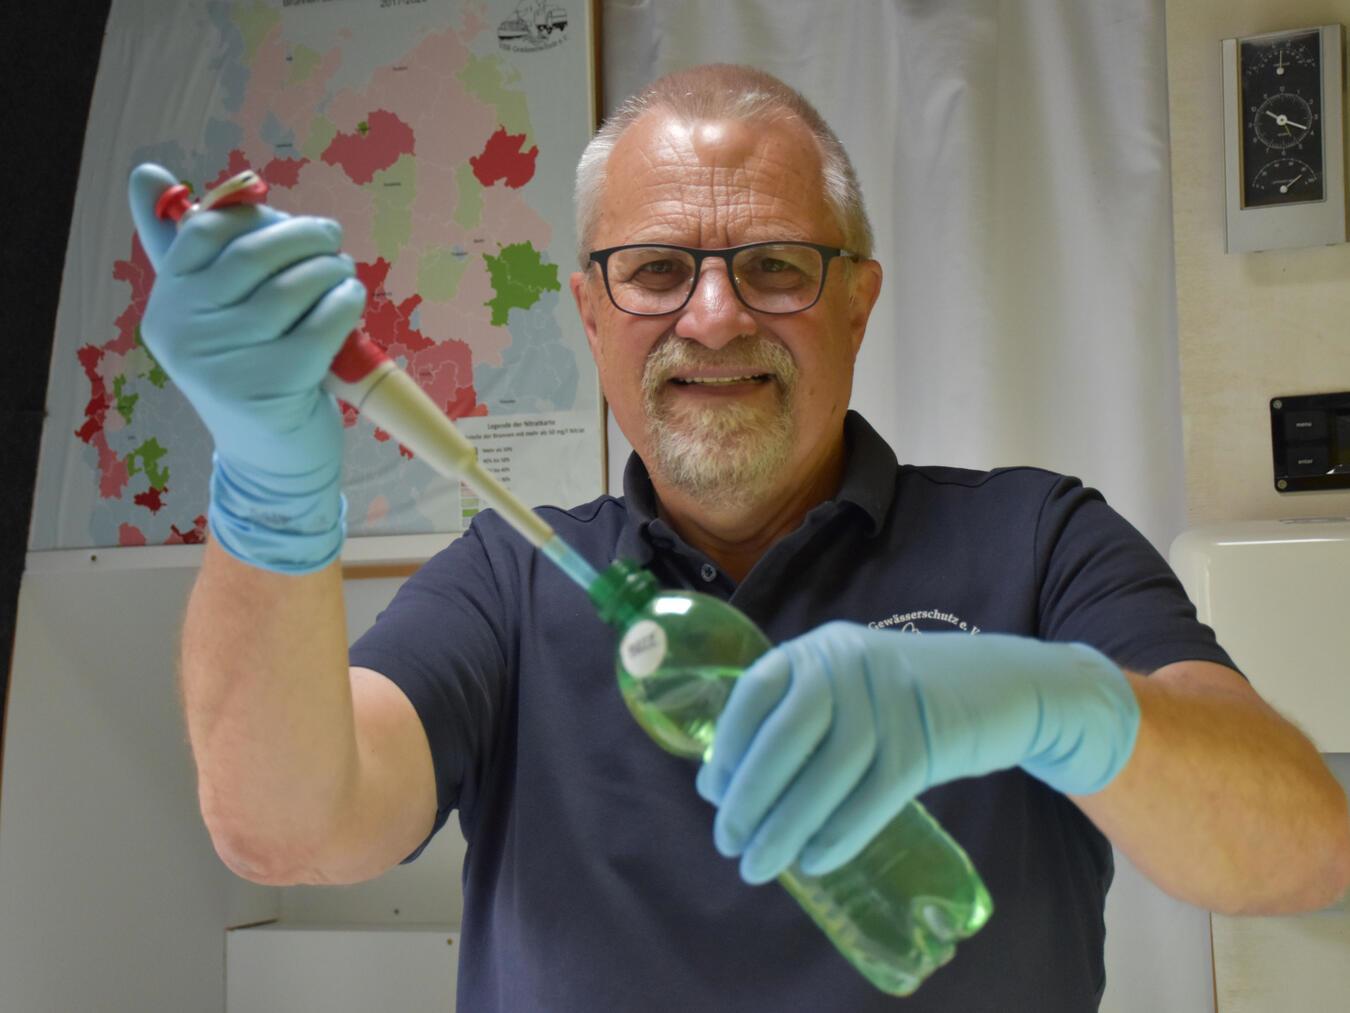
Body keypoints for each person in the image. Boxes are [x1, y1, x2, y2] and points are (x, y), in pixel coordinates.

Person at [127, 64, 1349, 1011]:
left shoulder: (1037, 539)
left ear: (859, 299)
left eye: (773, 265)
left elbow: (1299, 850)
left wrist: (1062, 703)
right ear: (591, 310)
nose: (712, 317)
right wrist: (269, 482)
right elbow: (285, 827)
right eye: (657, 269)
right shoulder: (506, 581)